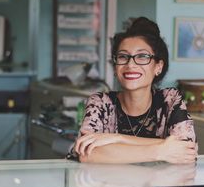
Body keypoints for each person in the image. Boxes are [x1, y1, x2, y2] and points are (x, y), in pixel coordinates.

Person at [74, 17, 197, 163]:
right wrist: (160, 150)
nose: (130, 64)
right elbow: (87, 154)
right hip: (109, 184)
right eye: (123, 56)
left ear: (158, 67)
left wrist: (117, 138)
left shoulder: (170, 100)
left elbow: (186, 150)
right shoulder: (100, 102)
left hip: (158, 184)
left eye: (142, 56)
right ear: (115, 67)